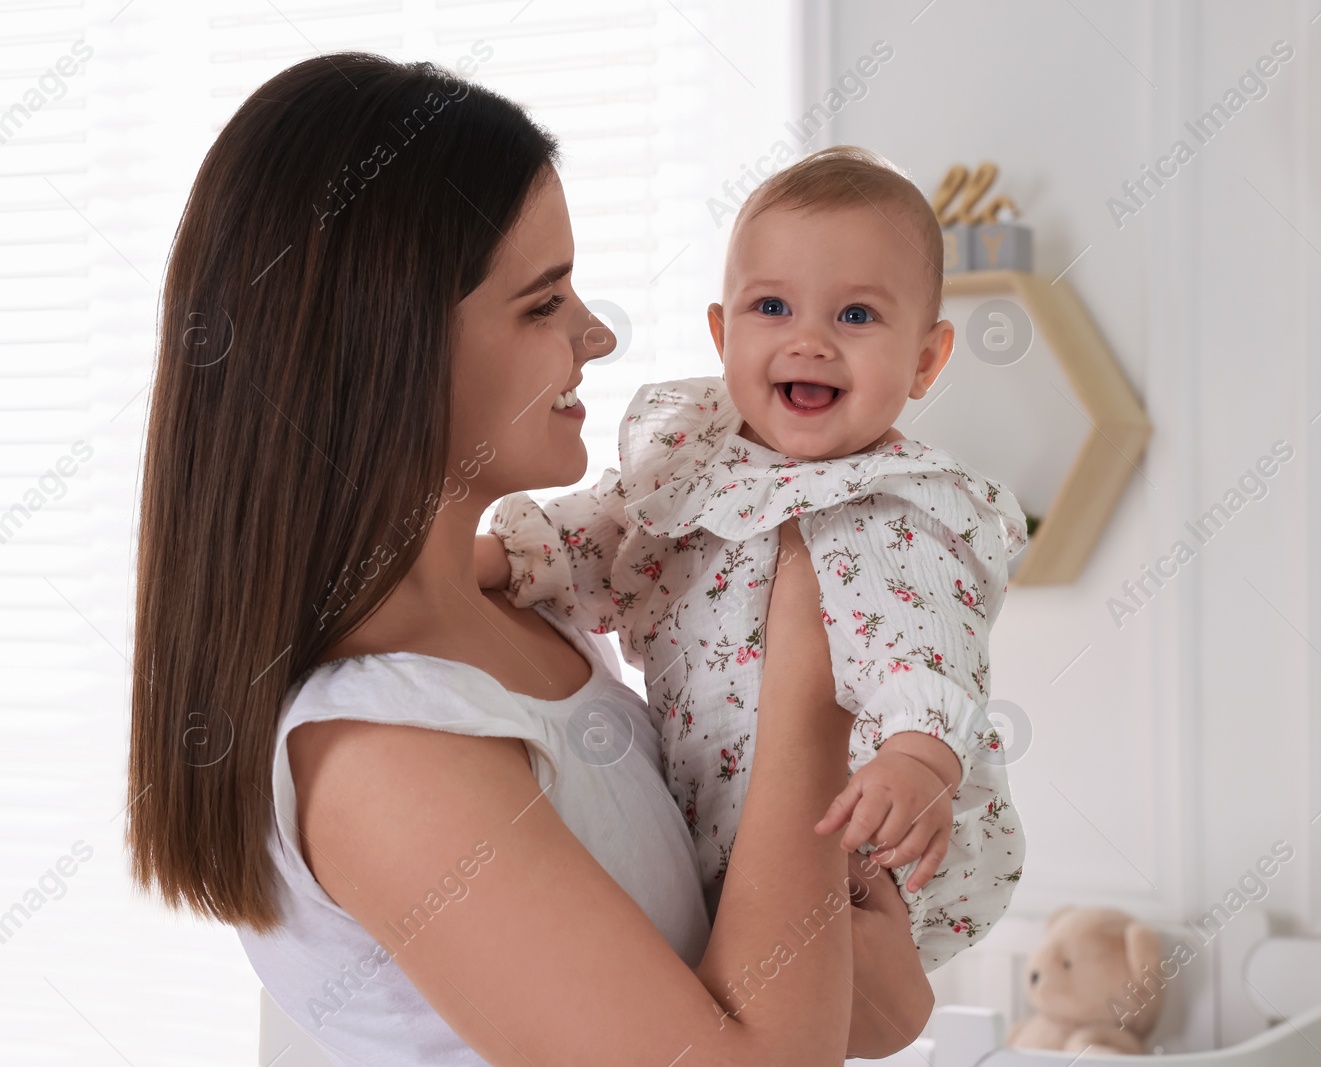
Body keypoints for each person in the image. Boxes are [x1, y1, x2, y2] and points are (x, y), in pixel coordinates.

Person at [126, 52, 931, 1065]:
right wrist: (809, 669)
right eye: (543, 301)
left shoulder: (519, 619)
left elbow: (865, 1001)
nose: (593, 333)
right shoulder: (384, 745)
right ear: (391, 345)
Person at [480, 146, 1028, 972]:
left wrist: (916, 759)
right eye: (772, 306)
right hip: (707, 820)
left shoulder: (903, 504)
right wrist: (499, 559)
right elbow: (604, 538)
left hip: (855, 838)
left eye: (855, 316)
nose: (809, 341)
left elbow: (927, 644)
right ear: (721, 331)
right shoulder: (691, 462)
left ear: (925, 360)